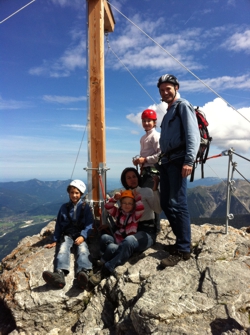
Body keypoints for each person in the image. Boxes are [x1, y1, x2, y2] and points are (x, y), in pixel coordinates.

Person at [89, 167, 161, 286]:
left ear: (138, 177)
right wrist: (115, 200)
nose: (132, 179)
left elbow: (157, 209)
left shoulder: (146, 191)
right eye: (128, 178)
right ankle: (107, 258)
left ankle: (106, 269)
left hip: (146, 231)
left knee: (129, 241)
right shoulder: (124, 194)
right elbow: (118, 212)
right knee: (106, 238)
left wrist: (155, 190)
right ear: (125, 181)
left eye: (134, 176)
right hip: (126, 230)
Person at [157, 74, 200, 267]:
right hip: (166, 161)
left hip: (178, 160)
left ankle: (183, 249)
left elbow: (193, 134)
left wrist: (189, 161)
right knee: (166, 203)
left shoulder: (183, 106)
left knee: (178, 203)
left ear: (176, 87)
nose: (165, 92)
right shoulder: (168, 113)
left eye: (168, 88)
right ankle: (180, 242)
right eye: (162, 89)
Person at [42, 179, 94, 289]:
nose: (74, 195)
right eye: (72, 192)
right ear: (69, 193)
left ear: (81, 194)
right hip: (68, 234)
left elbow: (89, 224)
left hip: (80, 234)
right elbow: (59, 225)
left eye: (77, 193)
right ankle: (59, 274)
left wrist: (83, 236)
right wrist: (55, 240)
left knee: (83, 250)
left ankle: (83, 273)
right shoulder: (64, 208)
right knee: (63, 249)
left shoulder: (86, 208)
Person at [133, 109, 161, 233]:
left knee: (151, 197)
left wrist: (145, 159)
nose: (146, 123)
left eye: (149, 121)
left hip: (152, 171)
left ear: (155, 122)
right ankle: (147, 224)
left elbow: (161, 154)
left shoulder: (156, 136)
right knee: (144, 196)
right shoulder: (143, 138)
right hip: (145, 170)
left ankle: (155, 227)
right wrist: (139, 161)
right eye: (144, 121)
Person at [98, 189, 144, 266]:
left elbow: (140, 209)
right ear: (121, 204)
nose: (127, 205)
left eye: (130, 203)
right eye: (124, 203)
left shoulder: (134, 217)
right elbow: (108, 207)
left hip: (124, 245)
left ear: (134, 205)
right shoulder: (118, 213)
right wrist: (115, 199)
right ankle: (103, 254)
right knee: (104, 237)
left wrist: (138, 199)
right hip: (116, 238)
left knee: (111, 247)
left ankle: (102, 262)